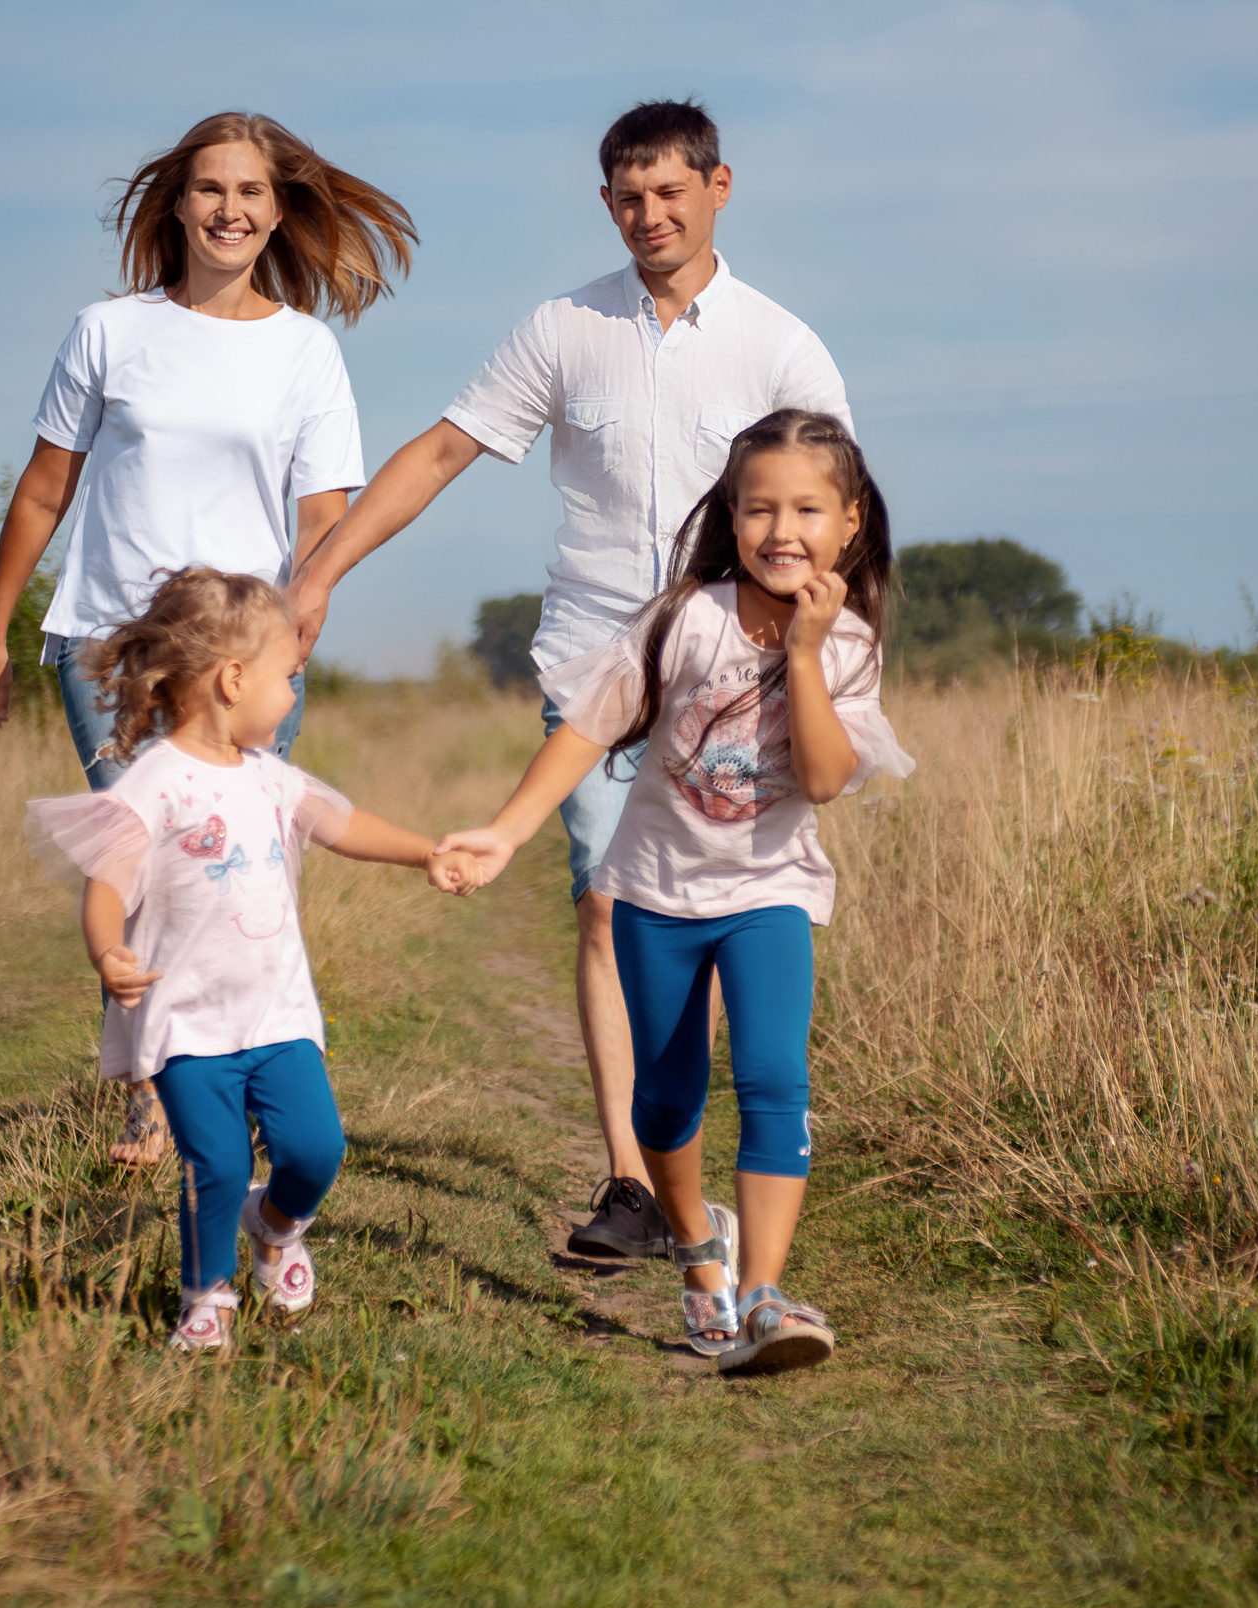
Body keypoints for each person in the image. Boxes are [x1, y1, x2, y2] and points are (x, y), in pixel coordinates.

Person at [289, 99, 850, 1263]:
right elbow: (444, 448)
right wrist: (318, 572)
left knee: (694, 927)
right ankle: (633, 1183)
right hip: (594, 667)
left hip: (733, 683)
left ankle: (689, 1162)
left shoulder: (781, 345)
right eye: (629, 198)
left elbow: (831, 507)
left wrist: (823, 656)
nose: (651, 215)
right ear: (607, 204)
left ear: (718, 187)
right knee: (605, 901)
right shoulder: (563, 326)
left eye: (671, 193)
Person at [0, 110, 415, 1166]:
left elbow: (323, 524)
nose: (230, 209)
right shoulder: (107, 332)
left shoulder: (306, 351)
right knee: (140, 859)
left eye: (251, 193)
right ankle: (153, 1090)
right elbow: (44, 490)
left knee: (222, 864)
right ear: (176, 203)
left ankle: (220, 1064)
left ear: (277, 211)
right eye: (211, 189)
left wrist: (296, 633)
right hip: (108, 644)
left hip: (244, 657)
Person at [430, 411, 911, 1373]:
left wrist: (806, 655)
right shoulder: (683, 619)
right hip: (654, 893)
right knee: (666, 1101)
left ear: (850, 524)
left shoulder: (848, 644)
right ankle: (702, 1257)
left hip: (769, 890)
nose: (783, 530)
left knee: (776, 1082)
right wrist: (506, 830)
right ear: (730, 519)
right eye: (758, 508)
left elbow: (819, 777)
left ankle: (766, 1295)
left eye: (809, 509)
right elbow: (582, 729)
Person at [25, 570, 474, 1352]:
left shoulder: (270, 776)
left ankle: (273, 1226)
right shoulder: (155, 783)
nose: (293, 693)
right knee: (216, 1164)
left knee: (317, 1149)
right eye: (287, 677)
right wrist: (108, 950)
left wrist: (425, 852)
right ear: (234, 680)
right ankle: (206, 1294)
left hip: (277, 1013)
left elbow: (343, 823)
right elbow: (106, 885)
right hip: (188, 1023)